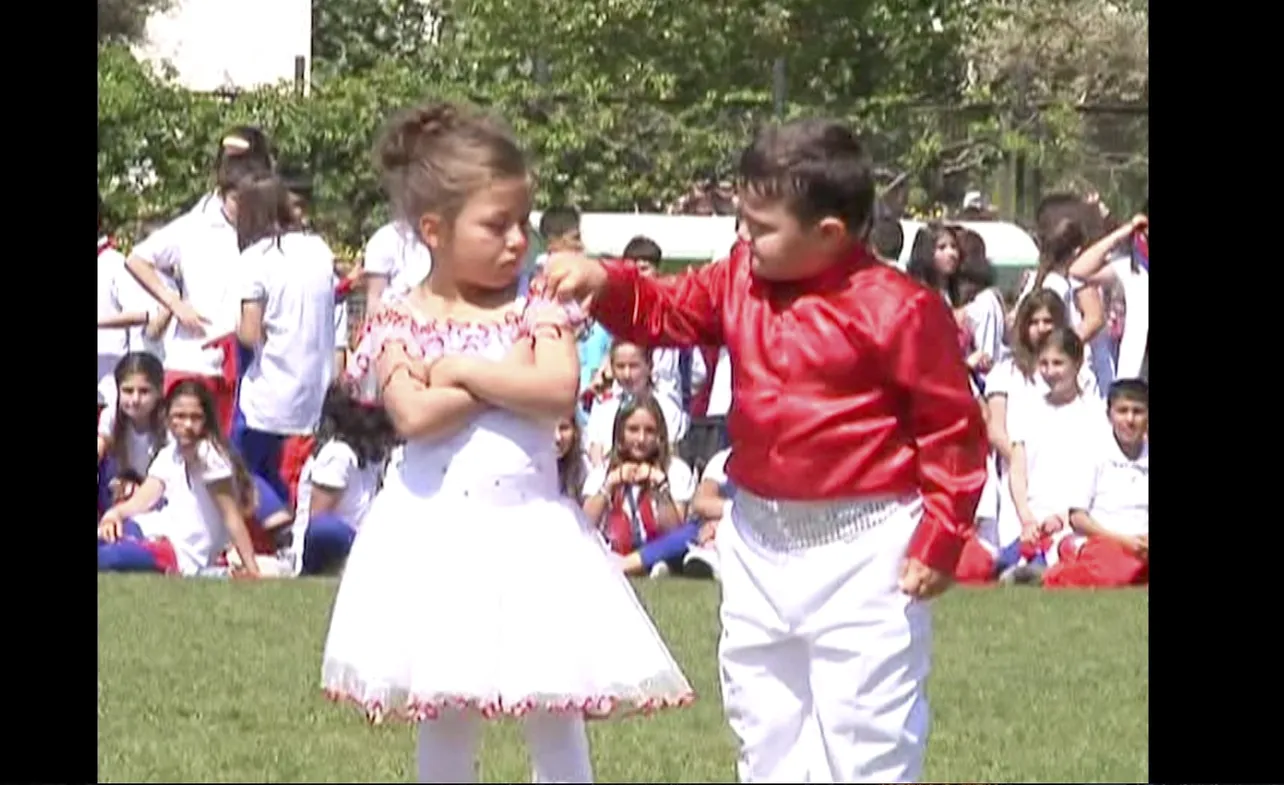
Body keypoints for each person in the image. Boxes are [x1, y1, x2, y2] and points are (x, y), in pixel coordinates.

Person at [546, 118, 987, 783]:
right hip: (758, 540)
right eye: (739, 220)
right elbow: (664, 311)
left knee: (867, 735)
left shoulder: (900, 309)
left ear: (830, 233)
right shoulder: (737, 281)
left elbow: (952, 429)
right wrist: (605, 283)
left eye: (759, 224)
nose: (742, 236)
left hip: (867, 553)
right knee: (764, 724)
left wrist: (943, 535)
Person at [318, 101, 692, 784]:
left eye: (523, 221)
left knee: (554, 701)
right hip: (432, 530)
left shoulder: (538, 302)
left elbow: (555, 388)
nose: (518, 239)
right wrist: (504, 371)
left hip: (530, 529)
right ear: (434, 230)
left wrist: (461, 368)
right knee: (445, 704)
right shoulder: (400, 312)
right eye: (497, 225)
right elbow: (414, 414)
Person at [123, 131, 275, 435]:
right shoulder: (195, 225)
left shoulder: (263, 230)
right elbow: (137, 259)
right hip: (195, 359)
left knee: (230, 461)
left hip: (245, 366)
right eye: (235, 198)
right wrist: (176, 304)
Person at [231, 174, 338, 503]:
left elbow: (249, 334)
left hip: (269, 388)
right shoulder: (320, 249)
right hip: (313, 387)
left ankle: (275, 521)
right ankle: (284, 523)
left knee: (236, 465)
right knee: (289, 472)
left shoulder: (256, 258)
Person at [97, 380, 261, 577]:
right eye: (180, 416)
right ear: (167, 418)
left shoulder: (209, 456)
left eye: (196, 417)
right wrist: (114, 514)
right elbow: (143, 499)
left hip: (180, 552)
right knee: (105, 538)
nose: (188, 425)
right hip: (155, 529)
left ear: (207, 420)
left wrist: (252, 569)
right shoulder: (170, 452)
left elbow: (231, 516)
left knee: (109, 558)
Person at [1043, 378, 1149, 588]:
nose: (1130, 419)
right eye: (1122, 411)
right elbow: (1078, 518)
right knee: (1114, 569)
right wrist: (1123, 540)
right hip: (1104, 541)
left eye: (1137, 412)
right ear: (1109, 415)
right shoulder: (1093, 452)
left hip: (1142, 543)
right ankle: (1053, 574)